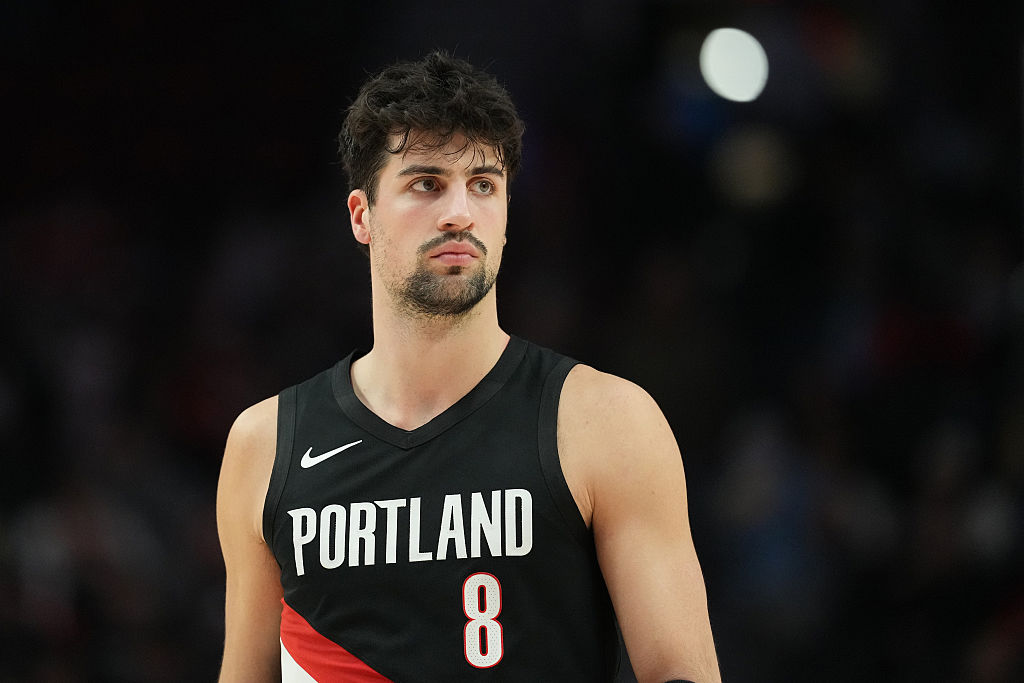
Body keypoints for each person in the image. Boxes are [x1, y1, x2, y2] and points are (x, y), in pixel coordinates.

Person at [216, 51, 721, 683]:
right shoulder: (265, 445)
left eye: (483, 184)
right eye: (426, 183)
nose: (459, 211)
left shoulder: (606, 422)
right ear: (362, 215)